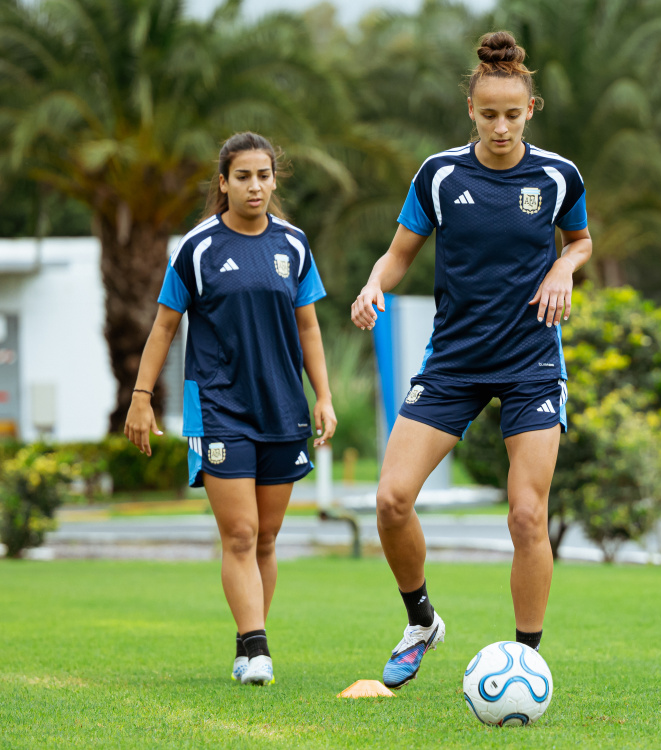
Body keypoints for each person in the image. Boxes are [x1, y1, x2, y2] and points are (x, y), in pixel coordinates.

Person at [351, 31, 592, 689]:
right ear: (471, 111)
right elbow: (398, 254)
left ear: (531, 109)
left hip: (531, 362)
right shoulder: (439, 175)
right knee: (391, 500)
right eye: (489, 115)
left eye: (513, 114)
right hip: (454, 362)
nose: (501, 127)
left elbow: (580, 241)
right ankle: (421, 621)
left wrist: (564, 267)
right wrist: (374, 285)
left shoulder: (557, 175)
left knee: (527, 514)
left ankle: (527, 658)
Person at [125, 132, 337, 687]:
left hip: (283, 408)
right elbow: (164, 327)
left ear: (274, 179)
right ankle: (259, 648)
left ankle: (246, 639)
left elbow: (308, 328)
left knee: (265, 538)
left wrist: (324, 396)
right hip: (218, 408)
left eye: (263, 176)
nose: (254, 186)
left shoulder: (294, 244)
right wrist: (141, 398)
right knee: (240, 534)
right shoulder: (197, 248)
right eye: (243, 176)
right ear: (223, 183)